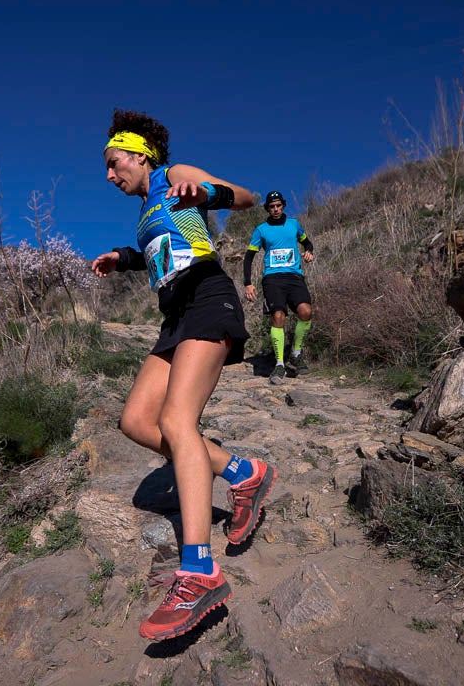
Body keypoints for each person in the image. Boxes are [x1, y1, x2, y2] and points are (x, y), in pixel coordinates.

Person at [91, 109, 278, 641]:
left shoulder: (174, 177)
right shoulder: (149, 204)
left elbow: (244, 197)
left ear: (140, 154)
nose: (109, 175)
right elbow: (163, 249)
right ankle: (243, 472)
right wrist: (124, 258)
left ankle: (199, 572)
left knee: (177, 421)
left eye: (113, 163)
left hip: (207, 300)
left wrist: (205, 193)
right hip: (176, 316)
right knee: (136, 420)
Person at [242, 191, 315, 384]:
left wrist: (309, 251)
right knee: (278, 316)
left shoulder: (294, 224)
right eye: (271, 206)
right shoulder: (261, 229)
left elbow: (307, 242)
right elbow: (249, 256)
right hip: (272, 279)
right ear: (267, 208)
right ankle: (280, 363)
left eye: (278, 206)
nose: (275, 209)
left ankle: (296, 354)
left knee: (305, 311)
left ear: (283, 206)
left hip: (294, 277)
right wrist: (247, 282)